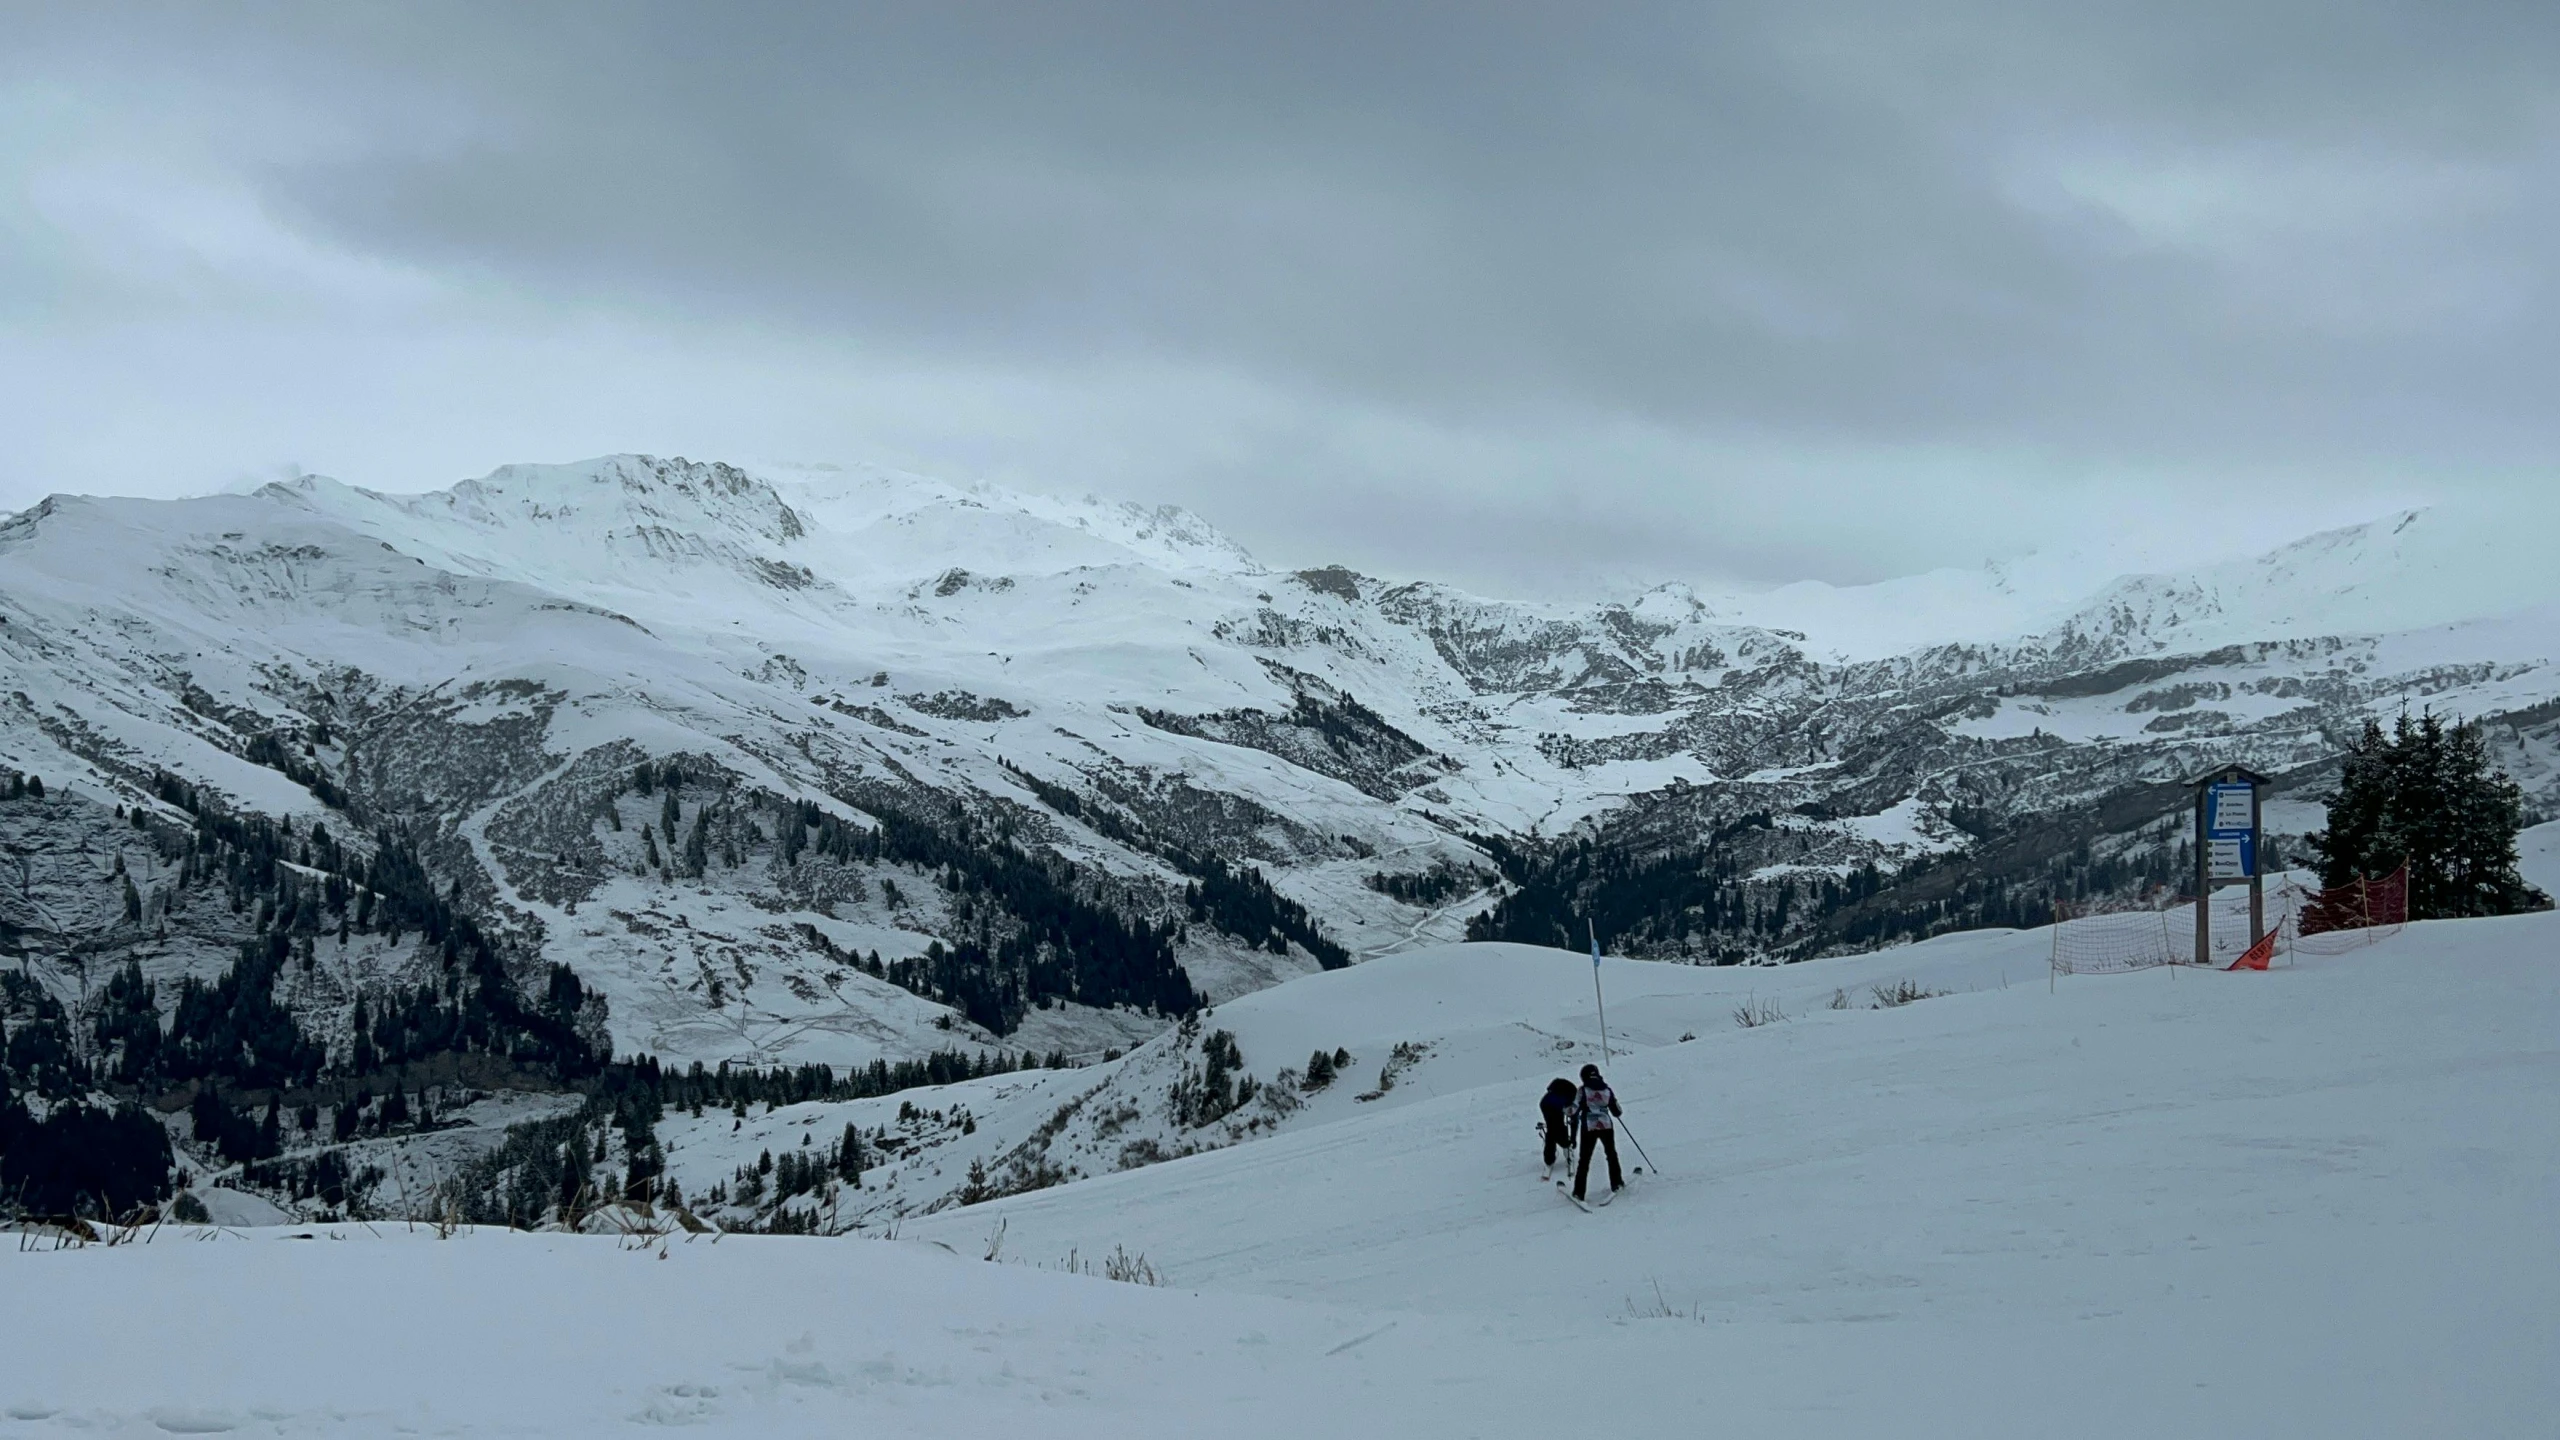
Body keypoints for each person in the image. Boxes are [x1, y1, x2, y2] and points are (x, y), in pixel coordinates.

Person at [1572, 1064, 1624, 1203]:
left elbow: (1573, 1109)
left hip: (1589, 1127)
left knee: (1585, 1160)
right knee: (1611, 1154)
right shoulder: (1607, 1090)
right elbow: (1617, 1111)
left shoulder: (1582, 1090)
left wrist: (1566, 1110)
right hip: (1606, 1126)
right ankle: (1617, 1183)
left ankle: (1579, 1192)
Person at [1538, 1078, 1577, 1176]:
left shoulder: (1569, 1096)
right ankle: (1564, 1144)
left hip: (1545, 1103)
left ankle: (1549, 1158)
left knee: (1554, 1128)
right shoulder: (1572, 1100)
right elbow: (1574, 1121)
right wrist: (1573, 1138)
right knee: (1554, 1129)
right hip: (1550, 1106)